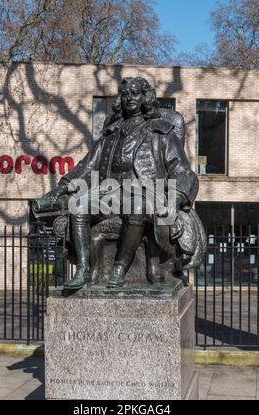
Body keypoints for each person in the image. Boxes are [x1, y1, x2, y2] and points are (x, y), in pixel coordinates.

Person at [43, 77, 200, 290]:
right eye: (125, 94)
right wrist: (62, 187)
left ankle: (119, 268)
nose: (129, 98)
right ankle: (83, 269)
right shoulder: (111, 133)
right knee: (78, 206)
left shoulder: (161, 132)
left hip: (146, 193)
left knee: (136, 207)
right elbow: (87, 167)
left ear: (145, 97)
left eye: (135, 93)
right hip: (110, 193)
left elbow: (182, 170)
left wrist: (177, 197)